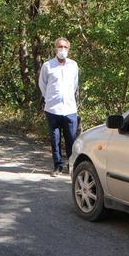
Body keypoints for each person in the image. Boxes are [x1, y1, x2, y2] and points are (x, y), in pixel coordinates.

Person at [38, 37, 80, 177]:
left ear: (69, 49)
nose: (62, 49)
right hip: (52, 109)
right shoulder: (48, 66)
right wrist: (49, 98)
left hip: (69, 109)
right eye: (60, 47)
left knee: (71, 139)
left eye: (65, 47)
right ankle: (57, 166)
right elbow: (42, 84)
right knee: (55, 140)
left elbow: (75, 85)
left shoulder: (73, 65)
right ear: (55, 48)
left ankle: (71, 165)